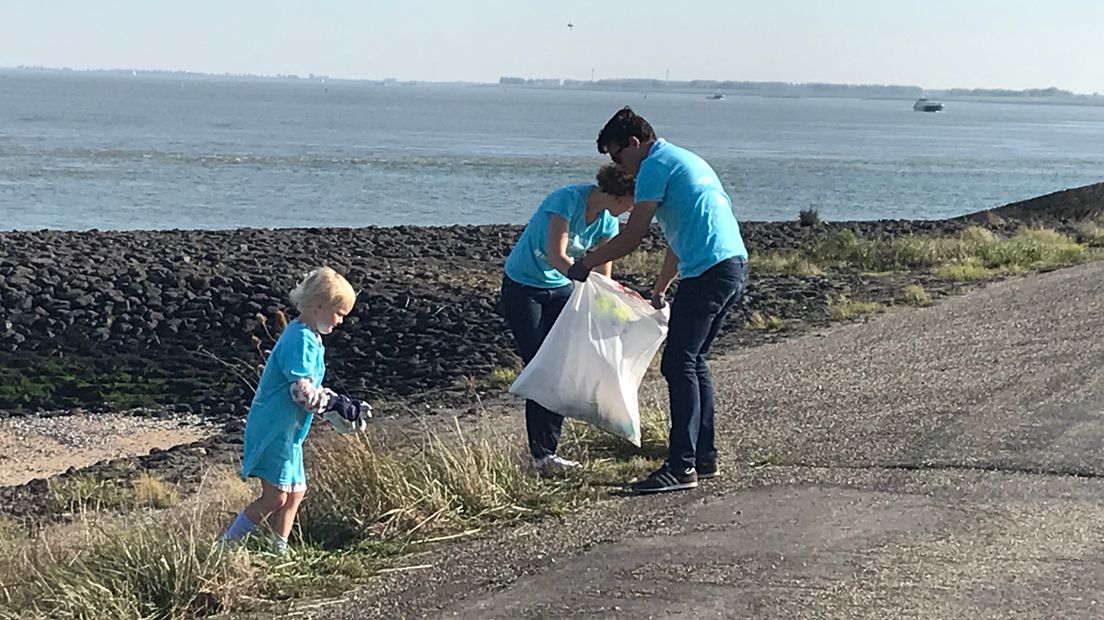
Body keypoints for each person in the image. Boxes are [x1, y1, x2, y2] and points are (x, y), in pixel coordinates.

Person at [567, 107, 748, 494]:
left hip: (710, 272)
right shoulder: (685, 159)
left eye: (617, 156)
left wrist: (586, 262)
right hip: (731, 265)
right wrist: (660, 289)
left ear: (634, 142)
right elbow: (679, 238)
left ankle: (680, 467)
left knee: (678, 363)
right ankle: (703, 456)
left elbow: (633, 235)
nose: (620, 166)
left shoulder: (654, 165)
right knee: (693, 361)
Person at [221, 267, 370, 553]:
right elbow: (301, 392)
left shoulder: (311, 338)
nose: (340, 321)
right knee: (276, 496)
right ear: (318, 306)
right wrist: (334, 405)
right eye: (339, 313)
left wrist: (339, 403)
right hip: (274, 427)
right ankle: (227, 545)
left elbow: (311, 389)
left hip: (290, 431)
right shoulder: (300, 339)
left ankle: (277, 548)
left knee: (296, 492)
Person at [501, 164, 636, 474]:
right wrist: (580, 273)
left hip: (560, 288)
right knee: (542, 366)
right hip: (524, 287)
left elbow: (603, 270)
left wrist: (611, 303)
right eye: (630, 201)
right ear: (617, 195)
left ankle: (546, 454)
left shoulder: (608, 222)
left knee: (560, 367)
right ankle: (541, 456)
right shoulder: (567, 200)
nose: (631, 208)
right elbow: (555, 255)